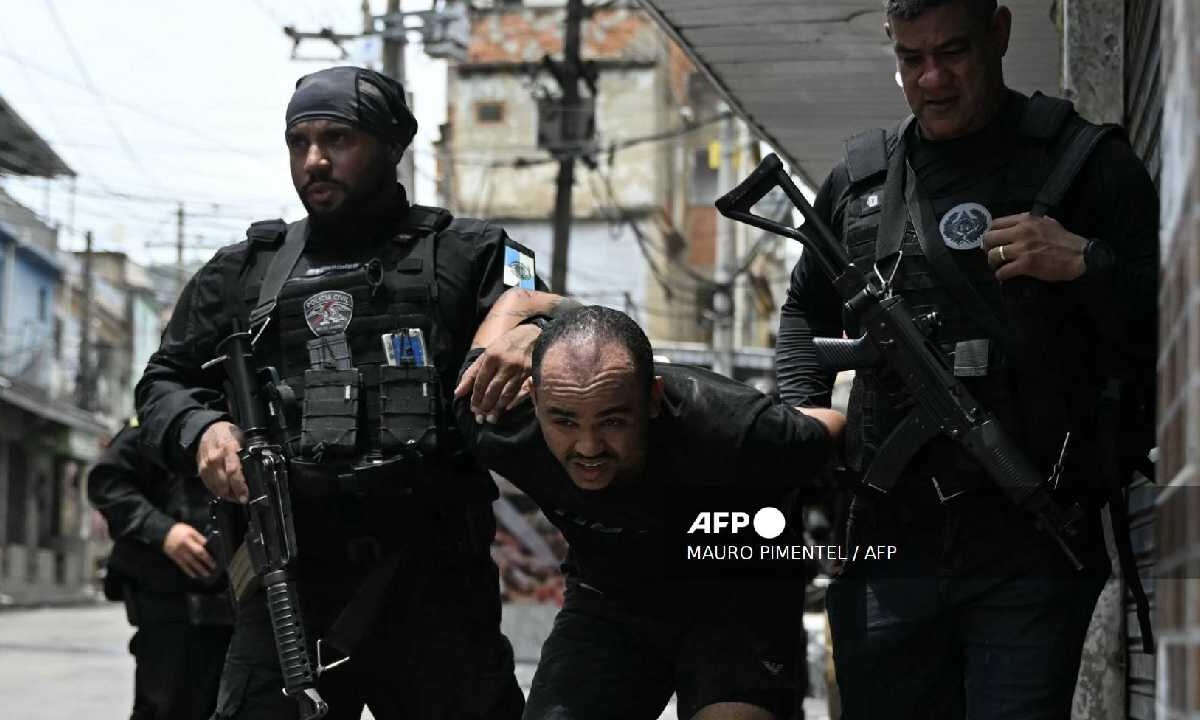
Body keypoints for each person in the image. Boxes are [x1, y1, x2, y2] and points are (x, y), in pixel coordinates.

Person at [134, 65, 559, 719]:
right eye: (298, 142)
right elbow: (163, 382)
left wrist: (530, 331)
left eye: (337, 139)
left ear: (391, 146)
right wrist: (203, 431)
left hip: (433, 584)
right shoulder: (244, 272)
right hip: (290, 580)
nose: (314, 160)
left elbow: (559, 320)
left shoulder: (471, 253)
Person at [774, 1, 1158, 718]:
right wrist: (804, 412)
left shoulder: (1084, 166)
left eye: (953, 53)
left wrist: (1088, 264)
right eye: (911, 58)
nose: (932, 79)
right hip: (886, 542)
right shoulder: (860, 184)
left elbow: (1172, 321)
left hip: (1034, 540)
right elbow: (805, 313)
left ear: (1000, 34)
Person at [455, 301, 845, 720]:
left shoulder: (733, 428)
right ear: (534, 399)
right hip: (612, 598)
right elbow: (519, 298)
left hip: (735, 595)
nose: (588, 448)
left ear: (653, 398)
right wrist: (532, 327)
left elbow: (834, 427)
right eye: (565, 422)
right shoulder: (493, 416)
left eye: (613, 422)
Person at [87, 419, 234, 720]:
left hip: (247, 603)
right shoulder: (169, 410)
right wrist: (162, 531)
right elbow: (106, 481)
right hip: (174, 603)